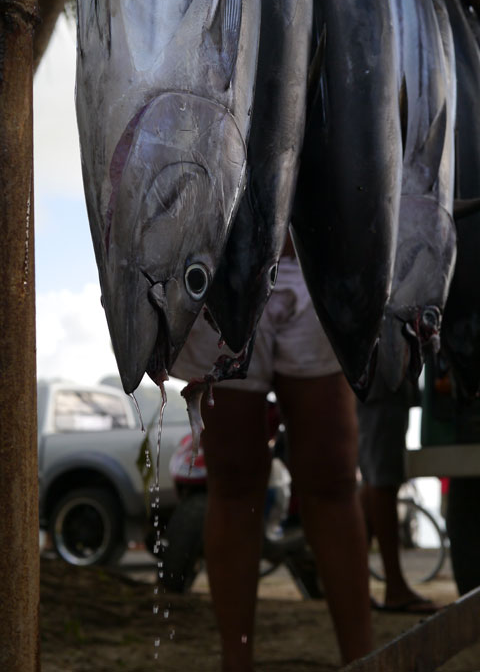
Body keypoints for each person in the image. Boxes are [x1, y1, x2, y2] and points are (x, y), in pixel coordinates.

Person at [170, 237, 372, 671]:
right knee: (233, 476)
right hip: (223, 257)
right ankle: (236, 662)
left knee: (333, 475)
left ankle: (365, 661)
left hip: (321, 253)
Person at [357, 375, 439, 614]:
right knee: (382, 481)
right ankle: (394, 588)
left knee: (374, 481)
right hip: (381, 378)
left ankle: (356, 585)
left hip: (378, 380)